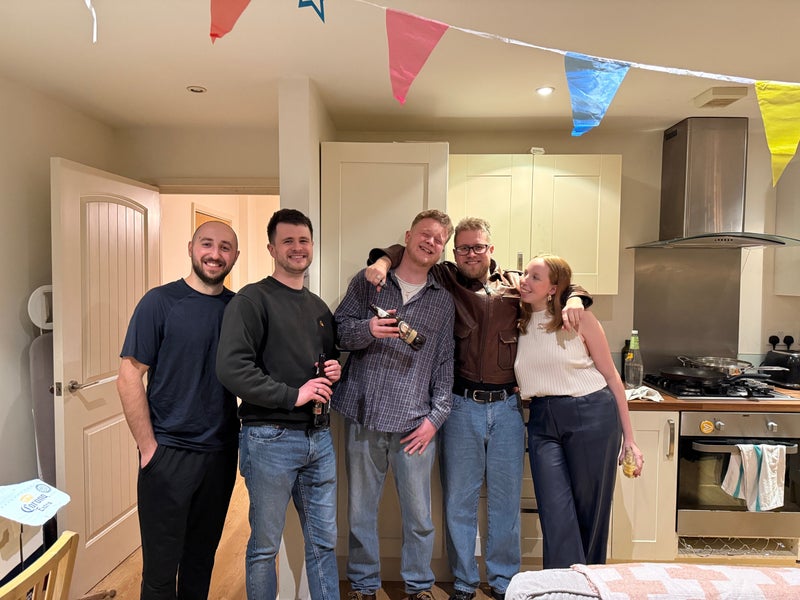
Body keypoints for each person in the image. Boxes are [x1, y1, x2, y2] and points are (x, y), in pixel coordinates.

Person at [365, 217, 591, 600]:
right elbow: (409, 252)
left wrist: (573, 299)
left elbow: (565, 282)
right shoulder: (445, 278)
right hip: (459, 407)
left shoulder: (515, 283)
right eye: (463, 248)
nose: (471, 254)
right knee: (459, 501)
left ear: (491, 249)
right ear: (454, 252)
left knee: (505, 502)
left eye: (478, 247)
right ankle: (465, 583)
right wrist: (383, 261)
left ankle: (503, 582)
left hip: (507, 410)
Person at [214, 208, 341, 600]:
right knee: (264, 547)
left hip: (319, 438)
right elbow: (232, 368)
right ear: (272, 248)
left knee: (324, 544)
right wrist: (293, 395)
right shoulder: (252, 300)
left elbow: (322, 364)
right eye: (288, 241)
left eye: (303, 240)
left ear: (312, 246)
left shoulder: (318, 307)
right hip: (269, 437)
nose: (297, 248)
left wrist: (334, 370)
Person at [333, 209, 456, 600]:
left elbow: (445, 363)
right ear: (407, 236)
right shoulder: (370, 281)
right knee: (360, 512)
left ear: (443, 249)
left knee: (419, 517)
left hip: (415, 423)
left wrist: (436, 419)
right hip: (364, 414)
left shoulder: (443, 301)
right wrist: (367, 329)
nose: (430, 242)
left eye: (439, 239)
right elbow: (338, 332)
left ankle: (419, 586)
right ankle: (363, 585)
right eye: (425, 234)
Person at [117, 220, 241, 600]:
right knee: (159, 571)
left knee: (200, 563)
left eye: (225, 247)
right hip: (168, 454)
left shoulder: (238, 309)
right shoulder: (159, 302)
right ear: (191, 248)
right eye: (207, 244)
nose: (215, 254)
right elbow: (128, 376)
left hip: (220, 454)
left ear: (235, 256)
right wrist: (149, 449)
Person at [514, 254, 643, 570]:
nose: (524, 281)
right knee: (554, 511)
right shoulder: (517, 319)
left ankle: (589, 581)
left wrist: (630, 439)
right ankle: (563, 584)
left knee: (590, 511)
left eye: (535, 277)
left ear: (553, 288)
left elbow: (612, 376)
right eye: (525, 274)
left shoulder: (579, 318)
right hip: (542, 418)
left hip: (591, 413)